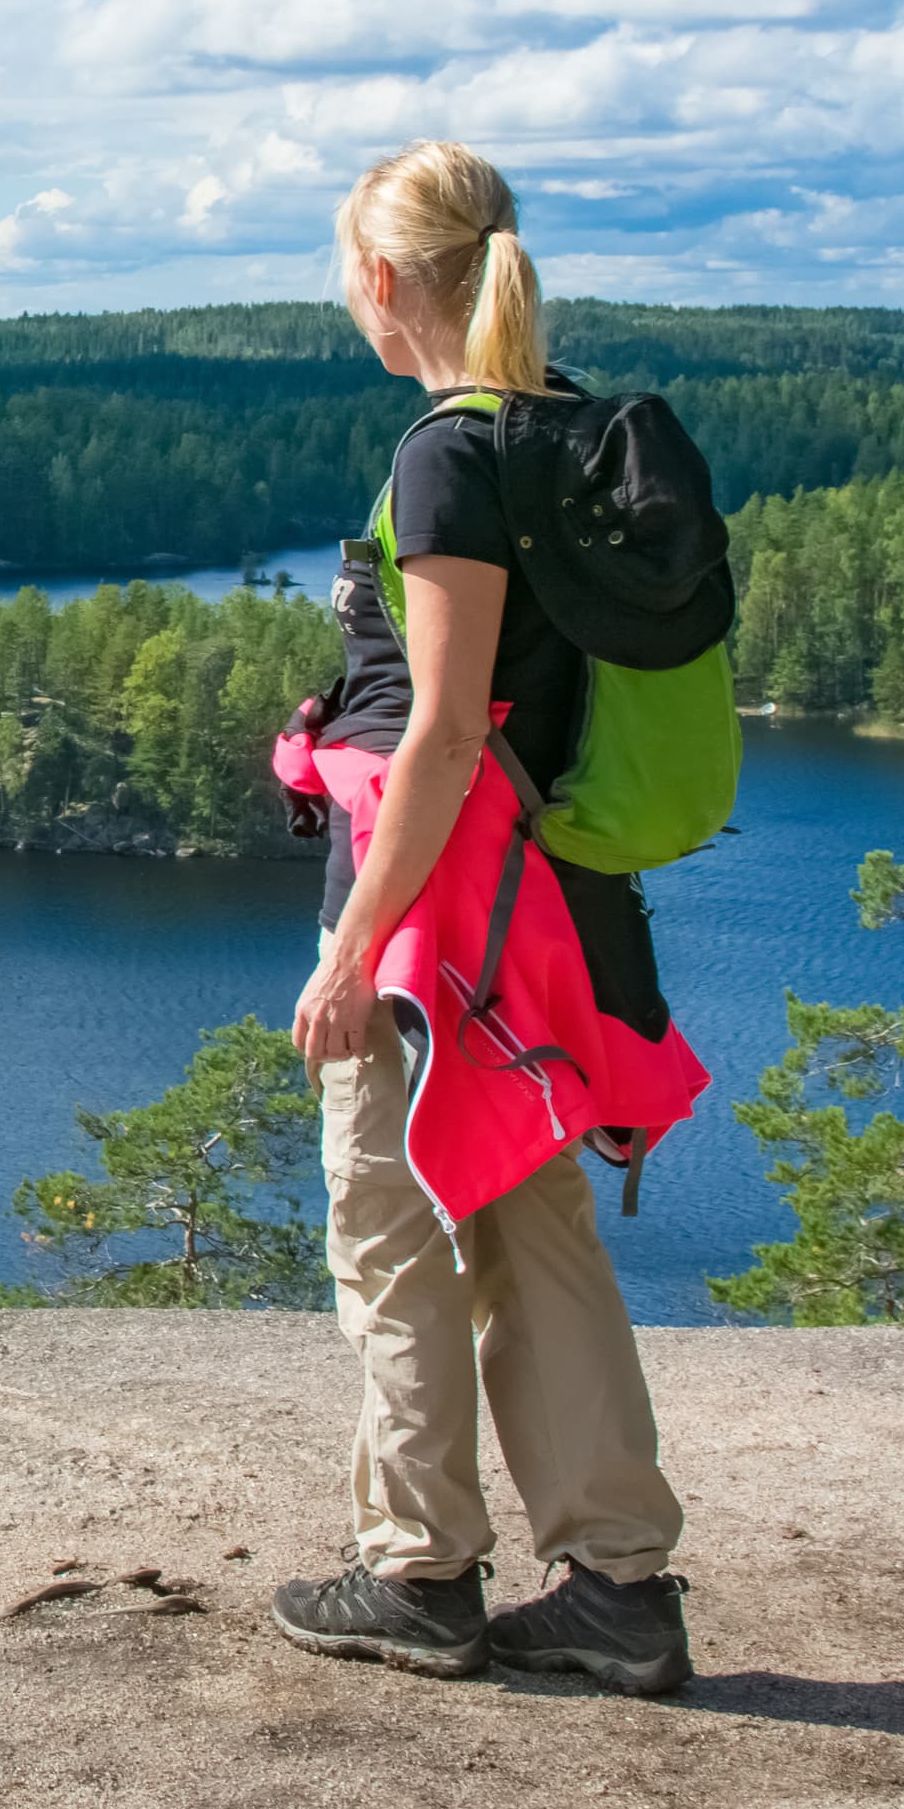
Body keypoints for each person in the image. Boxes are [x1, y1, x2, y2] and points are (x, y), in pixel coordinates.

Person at [269, 140, 695, 1697]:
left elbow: (444, 732)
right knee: (533, 1226)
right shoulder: (570, 423)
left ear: (383, 282)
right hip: (542, 911)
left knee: (390, 1235)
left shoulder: (447, 453)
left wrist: (343, 956)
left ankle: (422, 1574)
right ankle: (620, 1590)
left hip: (434, 916)